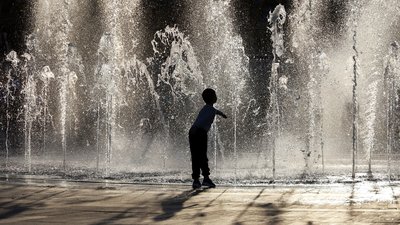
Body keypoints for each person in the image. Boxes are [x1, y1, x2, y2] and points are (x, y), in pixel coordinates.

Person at [189, 88, 227, 189]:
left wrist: (222, 114)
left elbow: (215, 111)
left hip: (193, 131)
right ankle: (205, 178)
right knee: (202, 155)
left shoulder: (205, 108)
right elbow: (216, 111)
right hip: (200, 132)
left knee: (196, 156)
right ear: (213, 98)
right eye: (215, 95)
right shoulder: (210, 109)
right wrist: (223, 115)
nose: (216, 97)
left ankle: (196, 180)